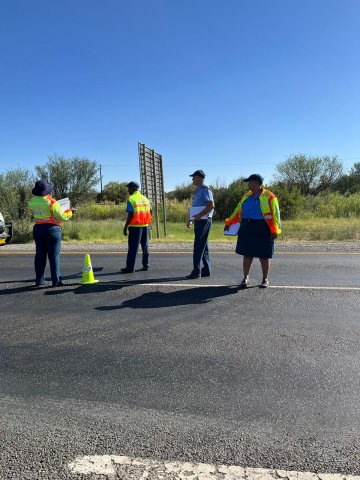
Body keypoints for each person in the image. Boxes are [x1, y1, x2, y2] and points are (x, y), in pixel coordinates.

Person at [224, 174, 281, 288]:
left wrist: (275, 230)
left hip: (263, 227)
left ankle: (265, 279)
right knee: (247, 254)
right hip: (247, 226)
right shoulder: (246, 196)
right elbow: (237, 210)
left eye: (249, 182)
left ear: (256, 183)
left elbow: (275, 214)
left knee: (264, 255)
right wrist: (229, 222)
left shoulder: (269, 196)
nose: (248, 184)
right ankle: (245, 279)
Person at [28, 179, 75, 287]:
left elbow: (33, 213)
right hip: (52, 229)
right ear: (48, 190)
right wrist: (70, 212)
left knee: (40, 255)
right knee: (53, 256)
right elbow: (61, 216)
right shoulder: (52, 202)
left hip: (38, 229)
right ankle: (56, 280)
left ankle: (39, 280)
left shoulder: (32, 202)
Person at [186, 170, 215, 279]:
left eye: (193, 177)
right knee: (204, 245)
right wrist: (191, 219)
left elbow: (211, 206)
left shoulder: (205, 190)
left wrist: (199, 215)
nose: (192, 179)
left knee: (198, 245)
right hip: (200, 220)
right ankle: (206, 270)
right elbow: (196, 208)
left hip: (204, 220)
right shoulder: (198, 191)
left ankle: (196, 271)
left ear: (199, 178)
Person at [121, 181, 151, 273]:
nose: (128, 190)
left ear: (134, 188)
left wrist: (125, 227)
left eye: (129, 188)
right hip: (145, 226)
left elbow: (130, 214)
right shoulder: (145, 198)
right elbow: (150, 211)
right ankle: (146, 265)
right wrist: (150, 223)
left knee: (133, 248)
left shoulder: (131, 199)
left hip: (135, 226)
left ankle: (130, 268)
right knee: (145, 246)